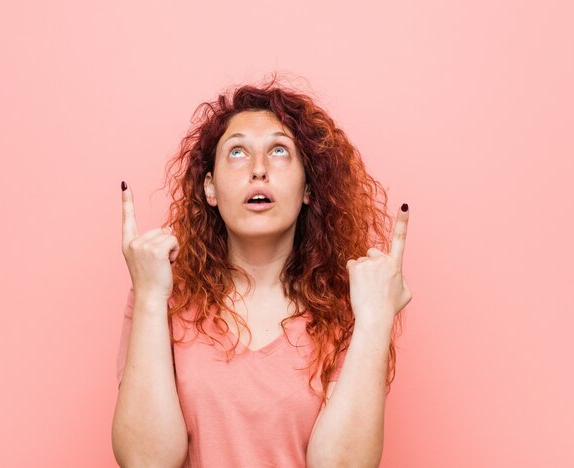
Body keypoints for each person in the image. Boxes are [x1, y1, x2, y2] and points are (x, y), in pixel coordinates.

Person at [111, 74, 412, 468]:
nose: (258, 170)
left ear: (308, 189)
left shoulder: (348, 308)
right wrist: (151, 297)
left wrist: (374, 320)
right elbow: (145, 461)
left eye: (279, 152)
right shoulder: (162, 294)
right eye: (237, 152)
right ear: (210, 189)